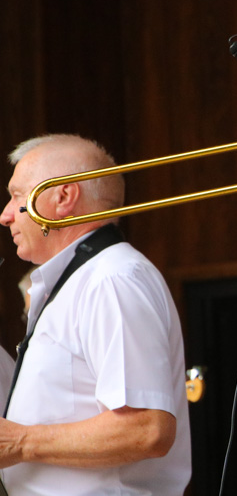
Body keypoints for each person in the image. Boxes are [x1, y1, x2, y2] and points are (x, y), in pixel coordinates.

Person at [0, 134, 191, 495]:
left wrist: (21, 442)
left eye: (16, 195)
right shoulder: (90, 279)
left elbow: (147, 430)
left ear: (62, 197)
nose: (5, 215)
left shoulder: (111, 279)